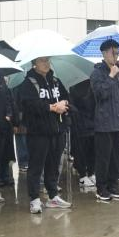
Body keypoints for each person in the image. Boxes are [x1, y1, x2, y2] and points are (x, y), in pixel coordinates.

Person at [17, 56, 73, 214]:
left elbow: (67, 98)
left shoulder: (55, 81)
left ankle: (53, 195)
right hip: (38, 132)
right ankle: (34, 198)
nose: (46, 64)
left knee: (53, 165)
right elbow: (28, 104)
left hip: (57, 130)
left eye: (47, 60)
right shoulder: (28, 84)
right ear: (34, 64)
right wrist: (51, 107)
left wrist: (64, 103)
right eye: (42, 61)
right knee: (36, 165)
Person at [90, 39, 119, 203]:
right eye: (114, 53)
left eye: (118, 53)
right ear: (105, 53)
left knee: (116, 157)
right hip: (104, 123)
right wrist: (111, 76)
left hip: (118, 121)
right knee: (104, 157)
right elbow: (100, 94)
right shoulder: (97, 73)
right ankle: (101, 188)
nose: (116, 56)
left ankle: (113, 184)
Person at [70, 80, 96, 188]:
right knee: (81, 150)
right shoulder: (73, 87)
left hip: (92, 121)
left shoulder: (92, 84)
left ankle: (91, 172)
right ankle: (82, 175)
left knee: (92, 149)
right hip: (79, 123)